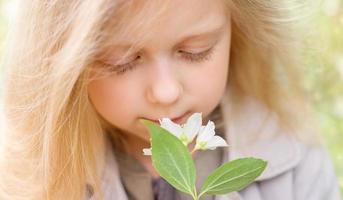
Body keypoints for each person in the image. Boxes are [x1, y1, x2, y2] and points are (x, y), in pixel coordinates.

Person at [0, 0, 341, 200]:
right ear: (63, 70)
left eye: (196, 51)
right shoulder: (32, 177)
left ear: (237, 32)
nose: (166, 92)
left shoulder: (294, 159)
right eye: (122, 62)